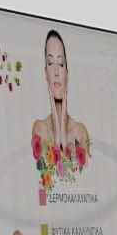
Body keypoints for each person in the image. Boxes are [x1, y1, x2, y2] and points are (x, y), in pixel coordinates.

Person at [32, 29, 92, 186]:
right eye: (50, 63)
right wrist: (58, 133)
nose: (56, 72)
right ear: (45, 73)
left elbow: (82, 182)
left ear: (67, 72)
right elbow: (50, 181)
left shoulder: (80, 131)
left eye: (61, 64)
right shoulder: (39, 128)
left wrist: (63, 133)